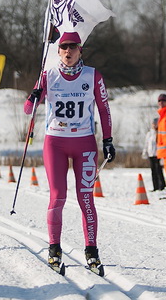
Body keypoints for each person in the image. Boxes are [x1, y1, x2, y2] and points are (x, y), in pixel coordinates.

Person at [24, 31, 115, 276]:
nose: (68, 52)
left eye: (72, 47)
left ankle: (92, 252)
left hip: (84, 143)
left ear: (80, 50)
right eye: (64, 47)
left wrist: (107, 140)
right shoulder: (48, 75)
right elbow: (27, 109)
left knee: (86, 198)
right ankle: (54, 249)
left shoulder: (92, 75)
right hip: (56, 142)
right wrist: (33, 96)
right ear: (58, 51)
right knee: (58, 196)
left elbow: (104, 110)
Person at [142, 118, 166, 191]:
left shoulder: (160, 133)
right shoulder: (149, 134)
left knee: (159, 170)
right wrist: (145, 152)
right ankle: (155, 186)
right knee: (153, 171)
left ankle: (162, 186)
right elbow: (146, 144)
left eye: (156, 123)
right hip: (151, 154)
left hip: (158, 154)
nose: (154, 125)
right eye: (153, 123)